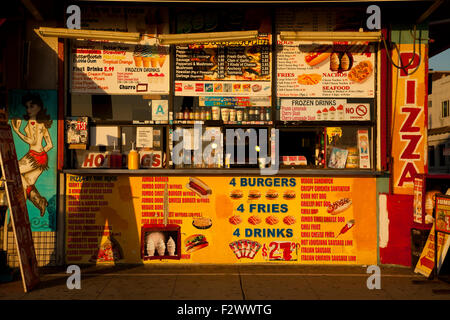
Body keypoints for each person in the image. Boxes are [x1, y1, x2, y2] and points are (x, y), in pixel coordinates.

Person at [11, 93, 53, 216]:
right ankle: (40, 202)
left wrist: (17, 131)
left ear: (39, 107)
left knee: (13, 171)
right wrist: (40, 154)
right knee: (28, 182)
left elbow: (32, 141)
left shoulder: (32, 122)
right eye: (27, 107)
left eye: (32, 106)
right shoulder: (43, 123)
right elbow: (50, 145)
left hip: (33, 156)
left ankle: (20, 209)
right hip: (42, 157)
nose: (28, 110)